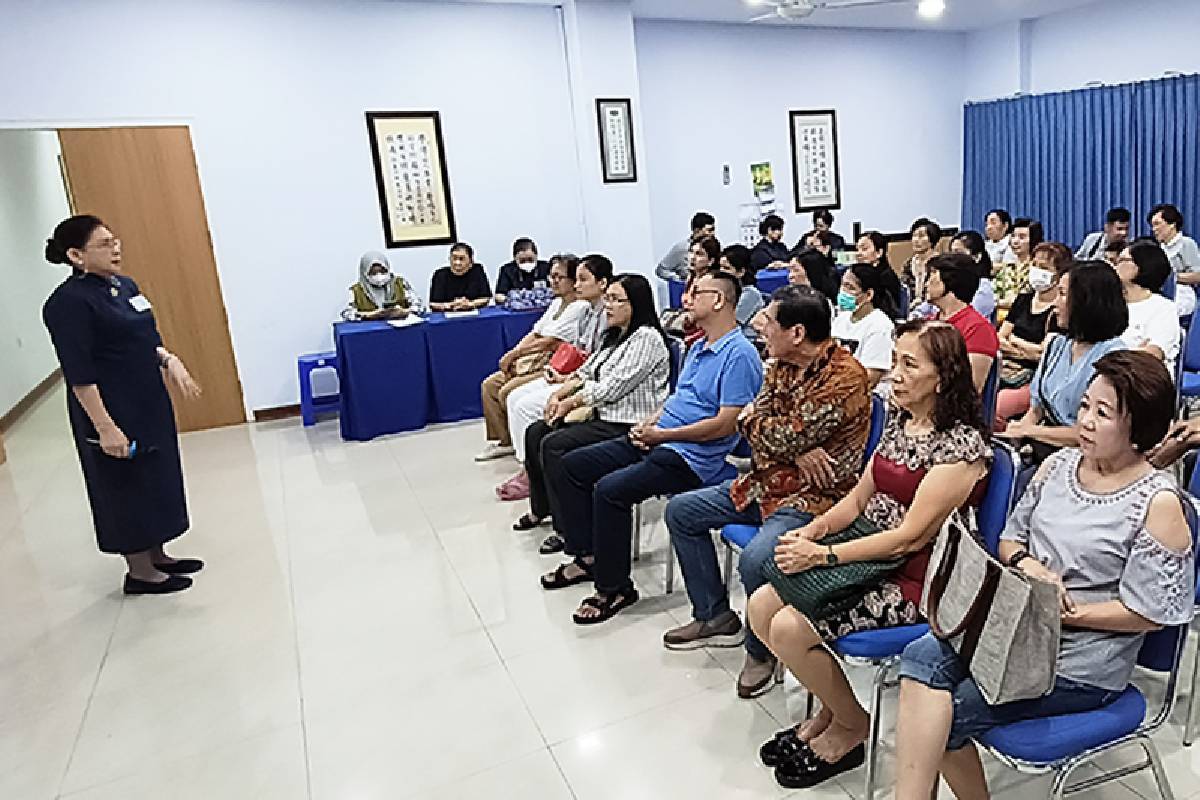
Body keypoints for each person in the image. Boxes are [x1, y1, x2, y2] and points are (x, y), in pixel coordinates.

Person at [893, 350, 1192, 800]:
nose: (1086, 421)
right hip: (1016, 626)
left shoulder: (1157, 504)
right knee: (919, 657)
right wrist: (1028, 567)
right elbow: (1011, 540)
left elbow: (1150, 614)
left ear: (1139, 429)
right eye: (1086, 406)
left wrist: (1068, 614)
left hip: (1082, 661)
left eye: (1104, 413)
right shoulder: (1059, 466)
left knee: (950, 714)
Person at [749, 320, 990, 790]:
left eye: (909, 365)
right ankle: (836, 714)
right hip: (865, 551)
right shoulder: (903, 421)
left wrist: (822, 557)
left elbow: (908, 538)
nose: (894, 374)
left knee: (786, 625)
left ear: (941, 377)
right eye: (895, 361)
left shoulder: (961, 447)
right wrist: (816, 530)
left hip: (917, 577)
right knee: (760, 605)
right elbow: (859, 500)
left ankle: (851, 725)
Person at [662, 285, 870, 698]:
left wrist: (778, 432)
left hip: (813, 499)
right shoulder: (780, 364)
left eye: (769, 321)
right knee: (681, 512)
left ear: (796, 332)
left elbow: (774, 428)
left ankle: (761, 652)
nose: (760, 327)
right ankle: (714, 616)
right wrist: (792, 440)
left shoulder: (845, 377)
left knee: (757, 558)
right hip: (762, 483)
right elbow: (752, 420)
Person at [540, 271, 764, 625]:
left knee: (609, 491)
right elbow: (677, 398)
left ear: (718, 301)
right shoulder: (698, 345)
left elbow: (725, 426)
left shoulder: (739, 354)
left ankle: (613, 588)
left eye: (696, 292)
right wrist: (652, 423)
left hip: (691, 456)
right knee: (572, 464)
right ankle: (589, 555)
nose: (686, 299)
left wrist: (664, 436)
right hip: (662, 439)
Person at [41, 215, 204, 595]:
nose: (116, 248)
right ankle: (140, 572)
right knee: (123, 483)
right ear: (76, 255)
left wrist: (168, 359)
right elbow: (78, 371)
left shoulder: (124, 285)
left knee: (155, 474)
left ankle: (158, 553)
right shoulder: (67, 303)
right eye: (104, 244)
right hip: (109, 405)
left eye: (116, 241)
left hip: (146, 398)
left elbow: (143, 336)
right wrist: (105, 426)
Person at [518, 274, 672, 552]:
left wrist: (570, 403)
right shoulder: (616, 334)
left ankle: (575, 536)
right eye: (607, 299)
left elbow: (612, 388)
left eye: (616, 300)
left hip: (628, 425)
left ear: (635, 304)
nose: (608, 306)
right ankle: (546, 510)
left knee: (554, 446)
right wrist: (560, 392)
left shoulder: (646, 338)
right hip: (605, 416)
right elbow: (588, 371)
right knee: (536, 431)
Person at [502, 255, 614, 507]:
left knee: (526, 406)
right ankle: (528, 467)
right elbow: (580, 352)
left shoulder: (603, 314)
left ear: (603, 283)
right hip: (574, 374)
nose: (577, 286)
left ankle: (532, 475)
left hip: (586, 382)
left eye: (583, 280)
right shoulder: (588, 312)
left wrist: (567, 381)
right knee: (515, 397)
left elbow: (599, 362)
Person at [998, 260, 1128, 457]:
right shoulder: (1056, 345)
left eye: (1063, 294)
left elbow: (1094, 431)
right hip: (1044, 446)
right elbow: (1036, 412)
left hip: (1087, 454)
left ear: (1087, 300)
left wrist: (1032, 431)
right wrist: (1014, 434)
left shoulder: (1113, 357)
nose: (1055, 303)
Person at [478, 254, 588, 463]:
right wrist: (513, 354)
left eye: (559, 277)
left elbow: (549, 341)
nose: (553, 281)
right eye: (551, 276)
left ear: (573, 281)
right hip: (530, 358)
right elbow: (535, 332)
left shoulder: (579, 307)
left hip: (554, 364)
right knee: (490, 385)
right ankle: (504, 441)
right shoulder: (556, 303)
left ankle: (525, 449)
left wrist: (516, 355)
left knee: (507, 392)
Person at [993, 242, 1071, 427]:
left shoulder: (1060, 310)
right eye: (1034, 265)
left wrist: (1013, 341)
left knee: (998, 406)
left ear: (1058, 274)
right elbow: (999, 338)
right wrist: (1025, 349)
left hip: (1035, 378)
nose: (1036, 270)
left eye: (1044, 267)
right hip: (1004, 368)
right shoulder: (1023, 299)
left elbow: (1044, 353)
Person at [925, 254, 999, 393]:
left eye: (932, 277)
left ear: (950, 282)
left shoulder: (978, 329)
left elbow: (970, 388)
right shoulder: (929, 322)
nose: (926, 284)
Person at [832, 264, 897, 391]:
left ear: (868, 295)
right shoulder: (841, 319)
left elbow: (870, 378)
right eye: (842, 285)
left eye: (850, 288)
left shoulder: (880, 326)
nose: (843, 292)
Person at [1116, 239, 1180, 365]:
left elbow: (1153, 353)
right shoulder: (1110, 304)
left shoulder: (1163, 308)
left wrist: (1112, 356)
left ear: (1142, 266)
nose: (1116, 265)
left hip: (1143, 378)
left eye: (1123, 260)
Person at [1149, 203, 1200, 317]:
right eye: (1152, 225)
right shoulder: (1158, 248)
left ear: (1172, 224)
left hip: (1182, 302)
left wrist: (1172, 277)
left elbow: (1198, 275)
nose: (1154, 229)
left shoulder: (1186, 244)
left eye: (1157, 224)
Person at [341, 251, 422, 321]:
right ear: (364, 273)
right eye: (373, 273)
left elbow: (420, 307)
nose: (379, 276)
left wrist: (404, 312)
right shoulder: (356, 290)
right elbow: (346, 314)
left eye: (383, 271)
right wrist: (369, 315)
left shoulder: (400, 283)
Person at [993, 217, 1042, 311]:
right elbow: (995, 295)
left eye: (1022, 237)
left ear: (1033, 239)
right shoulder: (1007, 268)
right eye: (1013, 236)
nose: (1015, 241)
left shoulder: (1037, 269)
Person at [947, 230, 996, 320]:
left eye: (958, 253)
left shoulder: (983, 288)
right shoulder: (947, 282)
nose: (953, 258)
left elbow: (969, 317)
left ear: (977, 256)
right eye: (951, 253)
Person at [656, 211, 716, 283]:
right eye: (709, 230)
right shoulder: (681, 248)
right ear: (697, 231)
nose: (713, 234)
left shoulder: (716, 247)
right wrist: (678, 279)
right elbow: (661, 269)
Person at [429, 242, 491, 311]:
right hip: (447, 315)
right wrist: (451, 305)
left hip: (473, 313)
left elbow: (485, 298)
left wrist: (470, 304)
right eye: (454, 258)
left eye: (461, 259)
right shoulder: (440, 274)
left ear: (471, 261)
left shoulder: (477, 271)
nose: (457, 262)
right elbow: (433, 304)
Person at [855, 231, 903, 317]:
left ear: (879, 252)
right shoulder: (858, 274)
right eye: (857, 249)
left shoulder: (886, 276)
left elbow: (889, 309)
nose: (858, 253)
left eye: (864, 249)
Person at [721, 244, 764, 338]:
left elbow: (730, 324)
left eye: (726, 268)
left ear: (740, 272)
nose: (721, 272)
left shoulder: (750, 294)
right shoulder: (724, 291)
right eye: (720, 267)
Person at [900, 217, 942, 309]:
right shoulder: (909, 264)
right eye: (914, 236)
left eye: (921, 236)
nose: (916, 240)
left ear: (932, 239)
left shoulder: (940, 263)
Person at [494, 237, 551, 304]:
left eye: (530, 259)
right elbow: (499, 296)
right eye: (522, 260)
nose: (527, 262)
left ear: (536, 255)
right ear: (515, 258)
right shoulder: (507, 270)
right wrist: (514, 300)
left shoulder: (546, 267)